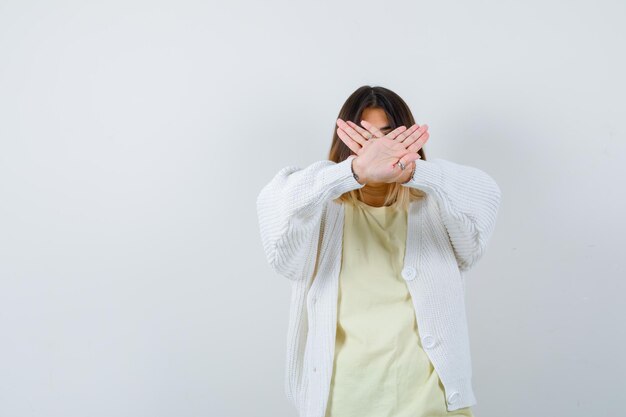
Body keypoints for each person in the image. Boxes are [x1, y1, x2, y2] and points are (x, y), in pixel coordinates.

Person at [256, 85, 501, 417]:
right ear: (345, 143)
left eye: (389, 137)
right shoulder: (322, 209)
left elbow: (483, 198)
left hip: (430, 402)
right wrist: (354, 172)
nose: (379, 150)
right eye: (365, 139)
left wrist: (414, 171)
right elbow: (278, 224)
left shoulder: (434, 206)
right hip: (345, 401)